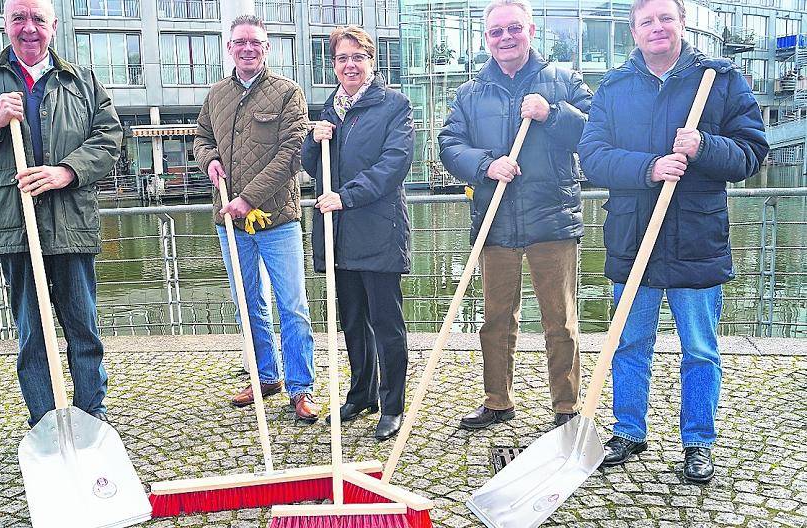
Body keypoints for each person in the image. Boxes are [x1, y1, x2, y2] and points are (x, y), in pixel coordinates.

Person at [578, 0, 768, 483]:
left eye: (666, 18)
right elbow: (592, 156)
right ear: (634, 32)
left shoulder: (720, 80)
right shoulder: (615, 87)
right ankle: (628, 431)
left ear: (682, 23)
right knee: (628, 343)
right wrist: (650, 167)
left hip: (697, 239)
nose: (657, 27)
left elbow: (751, 154)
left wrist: (704, 145)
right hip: (633, 236)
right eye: (647, 21)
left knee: (700, 349)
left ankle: (698, 441)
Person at [0, 0, 121, 428]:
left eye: (38, 18)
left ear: (53, 26)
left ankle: (92, 415)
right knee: (32, 335)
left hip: (72, 223)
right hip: (13, 226)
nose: (29, 27)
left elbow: (110, 138)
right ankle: (45, 423)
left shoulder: (82, 81)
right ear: (5, 25)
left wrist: (66, 171)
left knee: (84, 328)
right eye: (19, 18)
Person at [438, 0, 592, 431]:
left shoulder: (563, 80)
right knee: (495, 320)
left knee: (559, 320)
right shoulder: (470, 93)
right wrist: (486, 165)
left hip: (552, 218)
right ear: (487, 39)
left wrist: (552, 114)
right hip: (496, 220)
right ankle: (498, 401)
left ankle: (566, 407)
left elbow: (595, 132)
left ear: (531, 31)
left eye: (514, 29)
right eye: (496, 31)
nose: (505, 38)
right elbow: (449, 144)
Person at [194, 15, 319, 422]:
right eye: (240, 42)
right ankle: (266, 377)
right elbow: (201, 137)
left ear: (267, 48)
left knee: (292, 305)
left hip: (278, 219)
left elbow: (292, 153)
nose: (248, 48)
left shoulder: (288, 92)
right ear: (229, 48)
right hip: (229, 222)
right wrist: (209, 160)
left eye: (256, 42)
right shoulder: (216, 95)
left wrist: (249, 198)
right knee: (247, 303)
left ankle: (301, 387)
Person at [302, 26, 414, 441]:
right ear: (333, 65)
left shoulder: (394, 105)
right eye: (342, 58)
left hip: (379, 231)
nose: (350, 65)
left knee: (386, 323)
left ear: (371, 61)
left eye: (358, 57)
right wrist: (313, 141)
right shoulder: (329, 109)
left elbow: (393, 165)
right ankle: (361, 394)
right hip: (339, 235)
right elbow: (313, 167)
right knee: (352, 320)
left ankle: (392, 404)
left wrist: (345, 197)